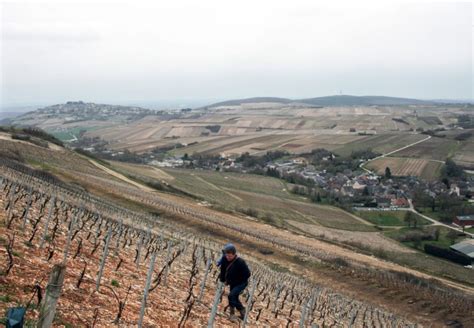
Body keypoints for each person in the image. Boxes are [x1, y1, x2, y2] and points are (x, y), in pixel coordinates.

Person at [219, 243, 251, 320]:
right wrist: (223, 279)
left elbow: (248, 274)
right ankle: (243, 312)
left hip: (241, 283)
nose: (228, 257)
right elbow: (223, 270)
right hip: (232, 283)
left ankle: (232, 314)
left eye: (229, 256)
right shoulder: (225, 260)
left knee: (231, 296)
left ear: (234, 255)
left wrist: (237, 280)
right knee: (235, 298)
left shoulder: (240, 262)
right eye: (226, 255)